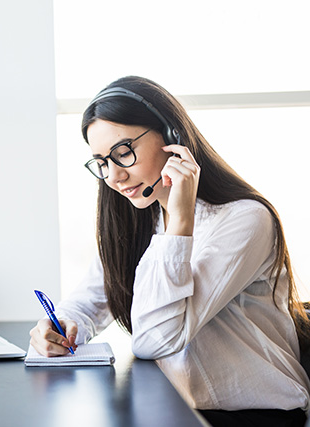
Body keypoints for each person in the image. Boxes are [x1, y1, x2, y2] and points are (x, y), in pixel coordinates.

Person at [29, 76, 310, 426]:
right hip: (172, 406)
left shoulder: (245, 220)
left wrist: (180, 222)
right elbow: (90, 299)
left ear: (172, 138)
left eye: (124, 152)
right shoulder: (138, 219)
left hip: (254, 416)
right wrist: (62, 326)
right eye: (101, 162)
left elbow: (156, 339)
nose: (114, 176)